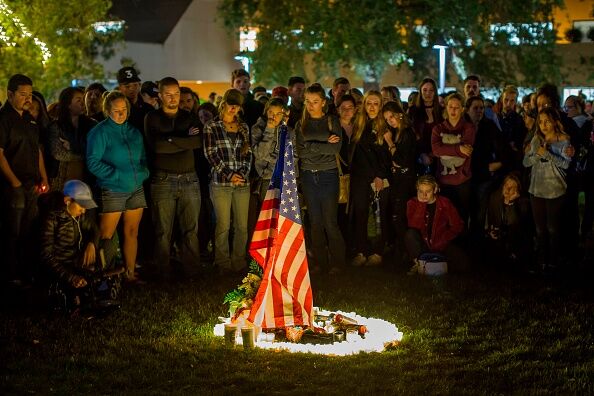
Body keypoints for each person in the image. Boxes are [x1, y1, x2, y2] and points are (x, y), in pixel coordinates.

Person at [86, 91, 150, 283]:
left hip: (136, 188)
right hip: (113, 189)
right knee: (106, 234)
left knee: (132, 232)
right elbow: (92, 161)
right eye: (116, 110)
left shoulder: (133, 132)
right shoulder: (100, 132)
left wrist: (143, 172)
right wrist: (116, 175)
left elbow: (142, 157)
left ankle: (129, 273)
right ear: (107, 110)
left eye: (124, 110)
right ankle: (99, 275)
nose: (121, 114)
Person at [144, 77, 202, 278]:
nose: (173, 98)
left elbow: (197, 142)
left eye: (176, 93)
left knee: (190, 230)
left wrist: (170, 139)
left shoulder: (189, 117)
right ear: (160, 96)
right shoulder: (152, 118)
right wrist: (184, 138)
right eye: (168, 94)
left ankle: (192, 272)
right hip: (163, 179)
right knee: (162, 231)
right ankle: (163, 273)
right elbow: (157, 147)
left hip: (189, 178)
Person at [0, 74, 50, 285]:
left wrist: (44, 177)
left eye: (30, 94)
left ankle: (27, 270)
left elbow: (36, 150)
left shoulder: (30, 120)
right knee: (12, 231)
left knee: (29, 229)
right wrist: (15, 183)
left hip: (32, 183)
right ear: (10, 94)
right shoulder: (3, 119)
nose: (28, 99)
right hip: (13, 185)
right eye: (23, 95)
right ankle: (10, 274)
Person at [40, 180, 119, 310]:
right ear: (67, 201)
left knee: (97, 277)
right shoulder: (52, 219)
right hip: (59, 270)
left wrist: (91, 244)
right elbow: (46, 256)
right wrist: (71, 277)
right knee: (74, 295)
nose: (83, 211)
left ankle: (103, 295)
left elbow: (95, 230)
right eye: (81, 206)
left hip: (75, 265)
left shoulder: (79, 218)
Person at [295, 83, 345, 274]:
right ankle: (320, 263)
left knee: (330, 222)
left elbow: (335, 149)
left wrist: (311, 146)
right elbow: (300, 150)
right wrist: (323, 142)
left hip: (328, 175)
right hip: (309, 176)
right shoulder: (302, 123)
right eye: (308, 101)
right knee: (315, 222)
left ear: (323, 102)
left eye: (315, 102)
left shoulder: (332, 121)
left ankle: (338, 263)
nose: (311, 105)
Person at [203, 89, 252, 273]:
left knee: (241, 225)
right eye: (231, 104)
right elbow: (211, 154)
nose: (233, 108)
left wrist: (242, 174)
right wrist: (229, 174)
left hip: (242, 183)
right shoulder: (212, 126)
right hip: (220, 183)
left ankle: (238, 261)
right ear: (223, 104)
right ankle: (222, 262)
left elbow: (248, 154)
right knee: (223, 224)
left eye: (237, 105)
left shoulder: (243, 127)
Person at [523, 107, 571, 270]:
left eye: (547, 121)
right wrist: (536, 154)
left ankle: (554, 260)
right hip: (537, 188)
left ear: (554, 122)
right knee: (540, 228)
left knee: (553, 228)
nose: (543, 125)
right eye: (541, 122)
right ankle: (542, 260)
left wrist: (547, 154)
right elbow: (525, 162)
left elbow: (565, 164)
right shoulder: (536, 139)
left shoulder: (563, 140)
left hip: (555, 188)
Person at [349, 90, 390, 267]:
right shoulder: (358, 124)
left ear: (380, 106)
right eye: (369, 103)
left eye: (376, 103)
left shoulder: (385, 126)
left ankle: (378, 252)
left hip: (379, 177)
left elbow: (388, 155)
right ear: (364, 105)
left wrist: (380, 175)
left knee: (381, 214)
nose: (372, 107)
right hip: (359, 177)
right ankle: (361, 251)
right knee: (360, 214)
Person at [465, 95, 510, 238]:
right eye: (475, 108)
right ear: (467, 110)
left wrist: (500, 163)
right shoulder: (461, 126)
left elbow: (502, 148)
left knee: (479, 214)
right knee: (464, 212)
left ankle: (477, 244)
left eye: (481, 108)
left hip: (482, 176)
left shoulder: (489, 126)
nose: (479, 111)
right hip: (464, 176)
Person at [405, 175, 466, 274]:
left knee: (463, 264)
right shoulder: (412, 203)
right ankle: (418, 263)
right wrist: (421, 205)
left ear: (435, 189)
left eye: (427, 191)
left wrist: (444, 238)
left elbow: (458, 225)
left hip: (441, 242)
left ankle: (439, 262)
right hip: (423, 244)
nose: (424, 195)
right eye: (421, 191)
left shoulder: (445, 203)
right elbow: (413, 225)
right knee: (410, 234)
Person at [431, 92, 476, 223]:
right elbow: (436, 150)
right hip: (443, 180)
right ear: (446, 107)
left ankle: (463, 243)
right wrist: (457, 148)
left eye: (457, 107)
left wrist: (446, 148)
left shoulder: (468, 128)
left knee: (461, 217)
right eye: (450, 106)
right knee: (445, 217)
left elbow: (466, 151)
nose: (453, 110)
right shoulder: (438, 129)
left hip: (462, 180)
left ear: (462, 109)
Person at [382, 101, 417, 265]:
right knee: (396, 216)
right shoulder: (397, 132)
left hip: (406, 180)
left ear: (399, 114)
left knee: (401, 217)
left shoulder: (407, 134)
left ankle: (406, 252)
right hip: (398, 179)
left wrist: (390, 144)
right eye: (387, 119)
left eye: (391, 117)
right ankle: (400, 250)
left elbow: (401, 160)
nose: (390, 121)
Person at [47, 87, 97, 191]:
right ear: (68, 104)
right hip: (62, 179)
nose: (83, 103)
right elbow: (59, 153)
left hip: (86, 180)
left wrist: (72, 146)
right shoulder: (56, 126)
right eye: (79, 100)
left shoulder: (92, 125)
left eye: (84, 99)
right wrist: (84, 154)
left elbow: (96, 151)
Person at [485, 173, 533, 267]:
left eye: (512, 187)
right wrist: (490, 231)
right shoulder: (495, 197)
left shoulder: (524, 203)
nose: (508, 189)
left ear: (517, 190)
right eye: (506, 185)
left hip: (516, 240)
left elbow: (514, 222)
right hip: (499, 238)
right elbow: (491, 217)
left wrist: (510, 203)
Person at [408, 78, 443, 175]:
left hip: (439, 156)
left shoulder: (441, 111)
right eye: (425, 90)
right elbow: (411, 135)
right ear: (420, 91)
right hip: (419, 156)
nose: (428, 93)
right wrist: (422, 154)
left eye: (431, 90)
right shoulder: (413, 111)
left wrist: (434, 153)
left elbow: (445, 134)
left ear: (435, 92)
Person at [116, 66, 154, 133]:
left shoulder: (148, 109)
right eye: (127, 86)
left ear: (139, 85)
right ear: (119, 87)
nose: (131, 88)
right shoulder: (114, 110)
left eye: (135, 85)